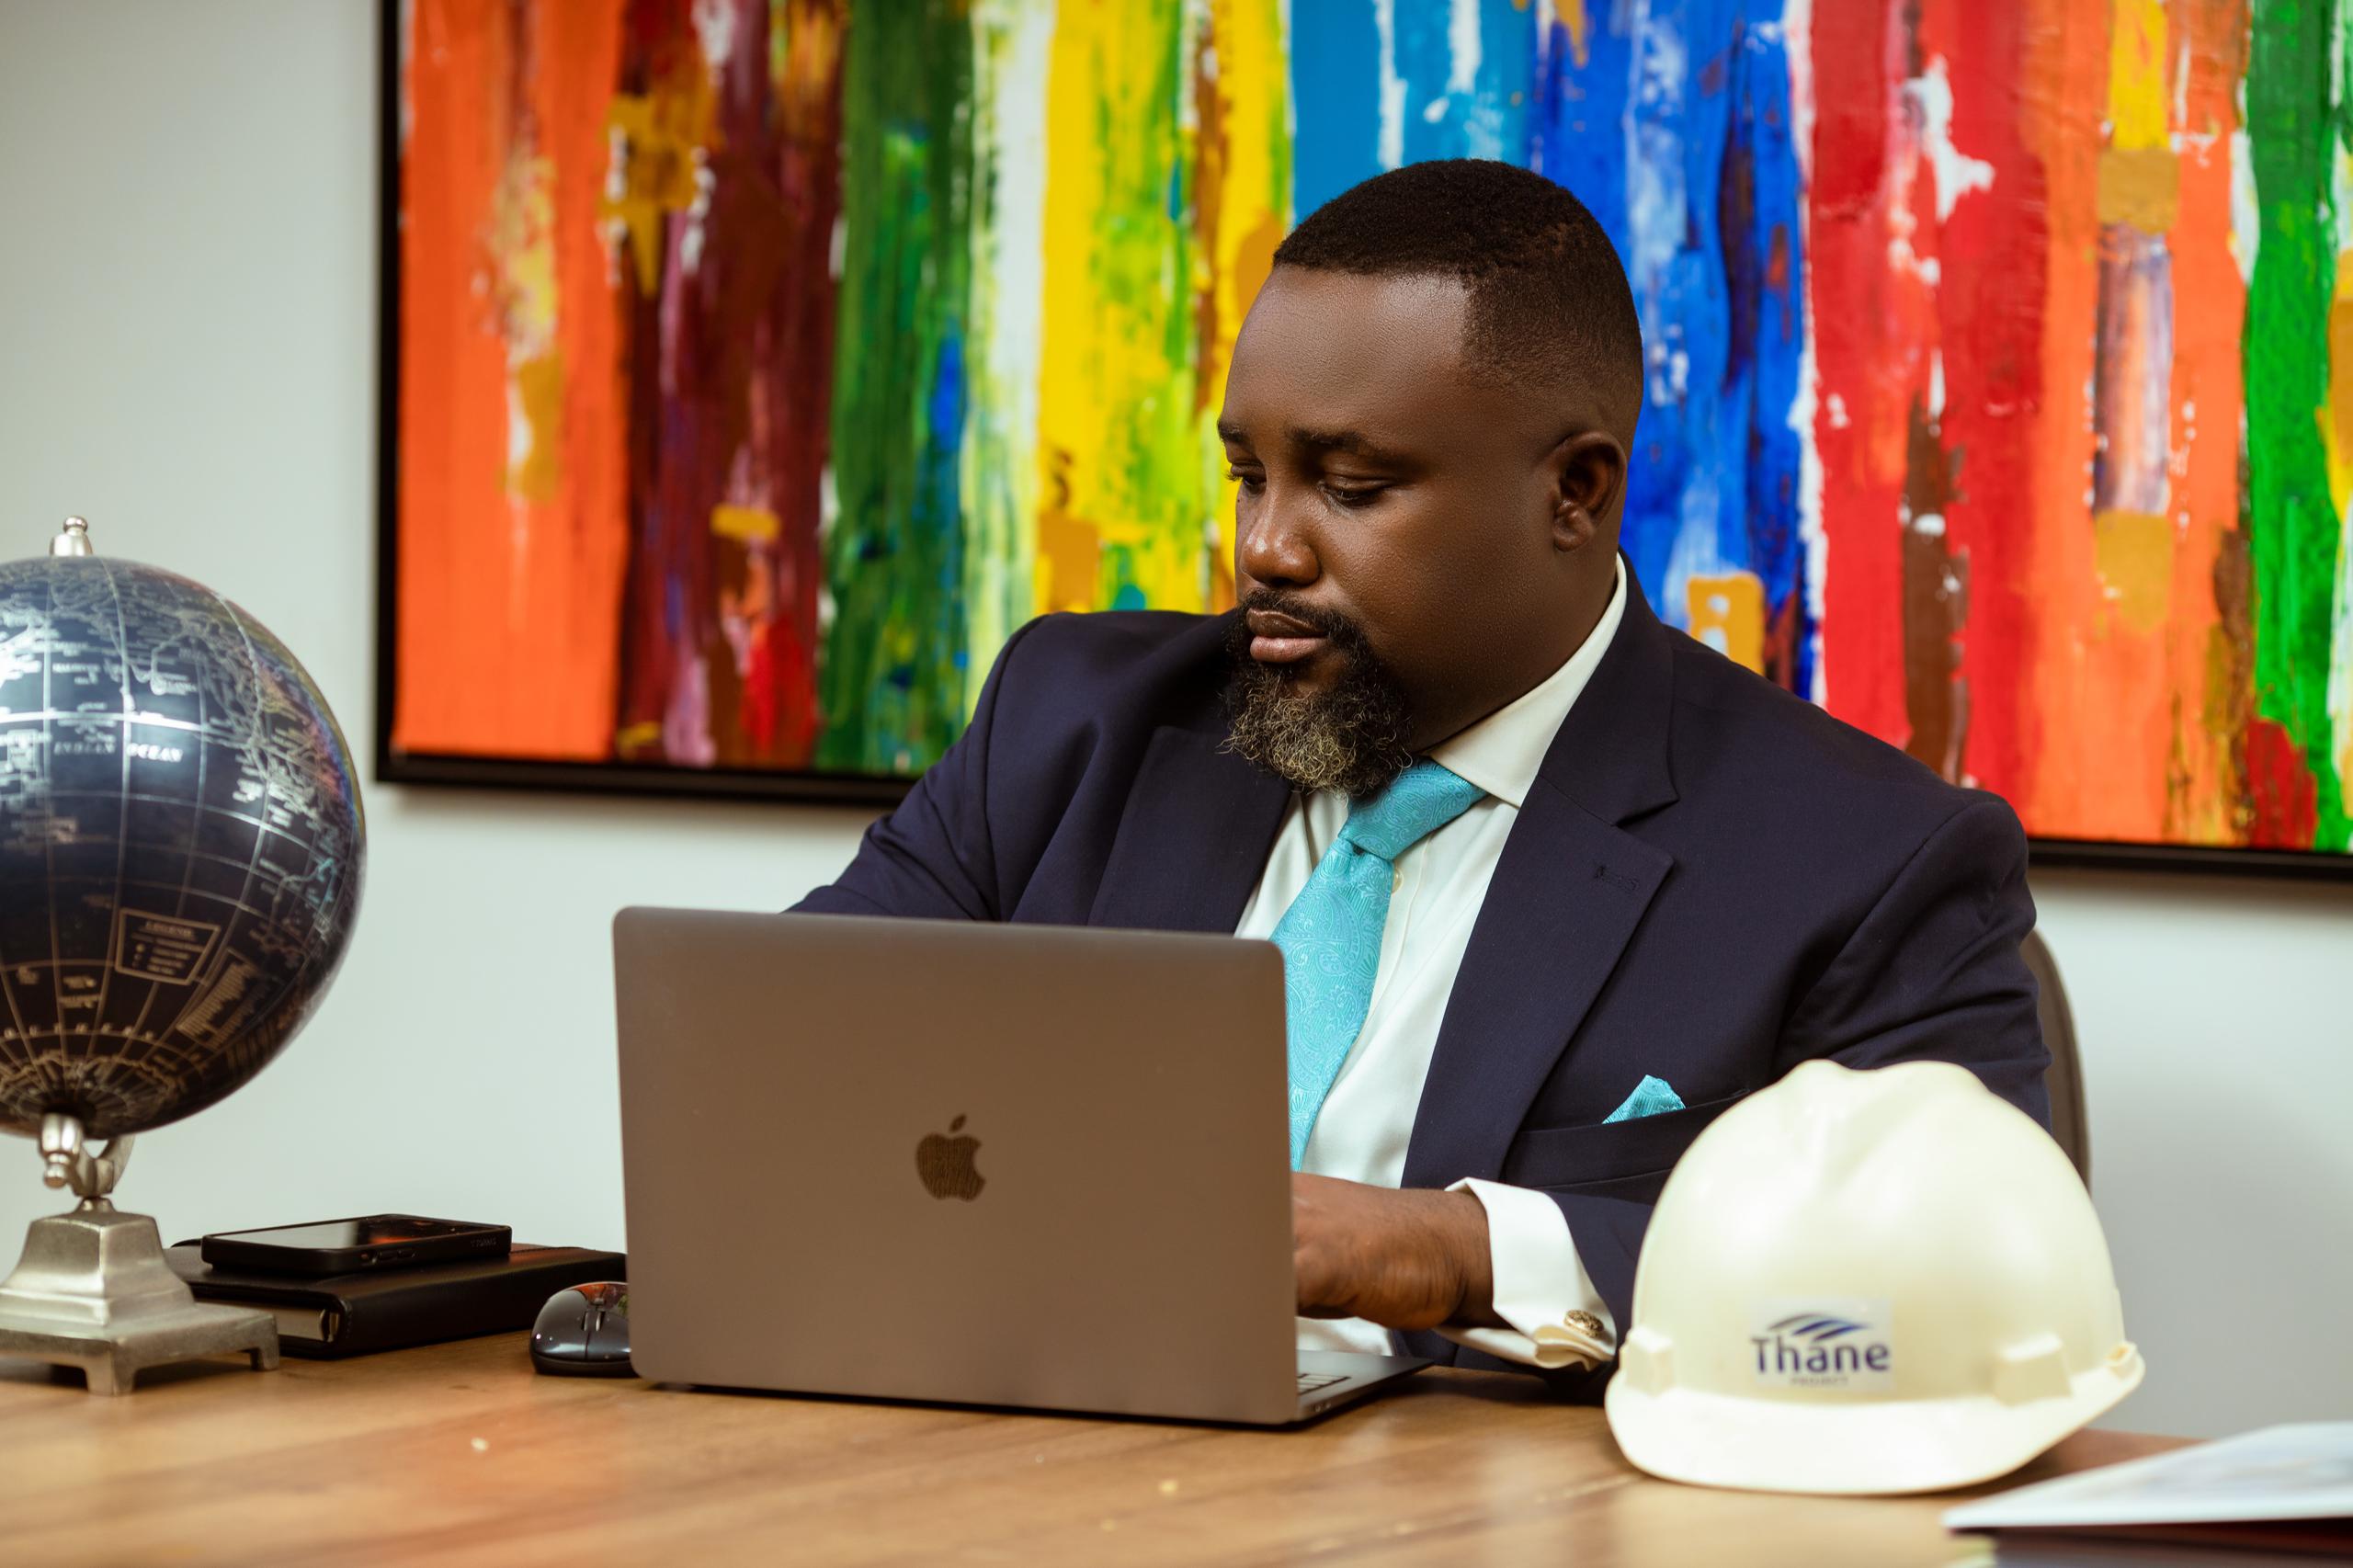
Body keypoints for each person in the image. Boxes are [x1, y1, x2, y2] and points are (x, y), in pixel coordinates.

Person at [794, 158, 2048, 1400]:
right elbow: (783, 1060)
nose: (1266, 546)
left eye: (1351, 488)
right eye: (1249, 476)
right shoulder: (1070, 725)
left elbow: (1967, 1295)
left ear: (1575, 494)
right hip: (1024, 1454)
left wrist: (1454, 1251)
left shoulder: (1864, 862)